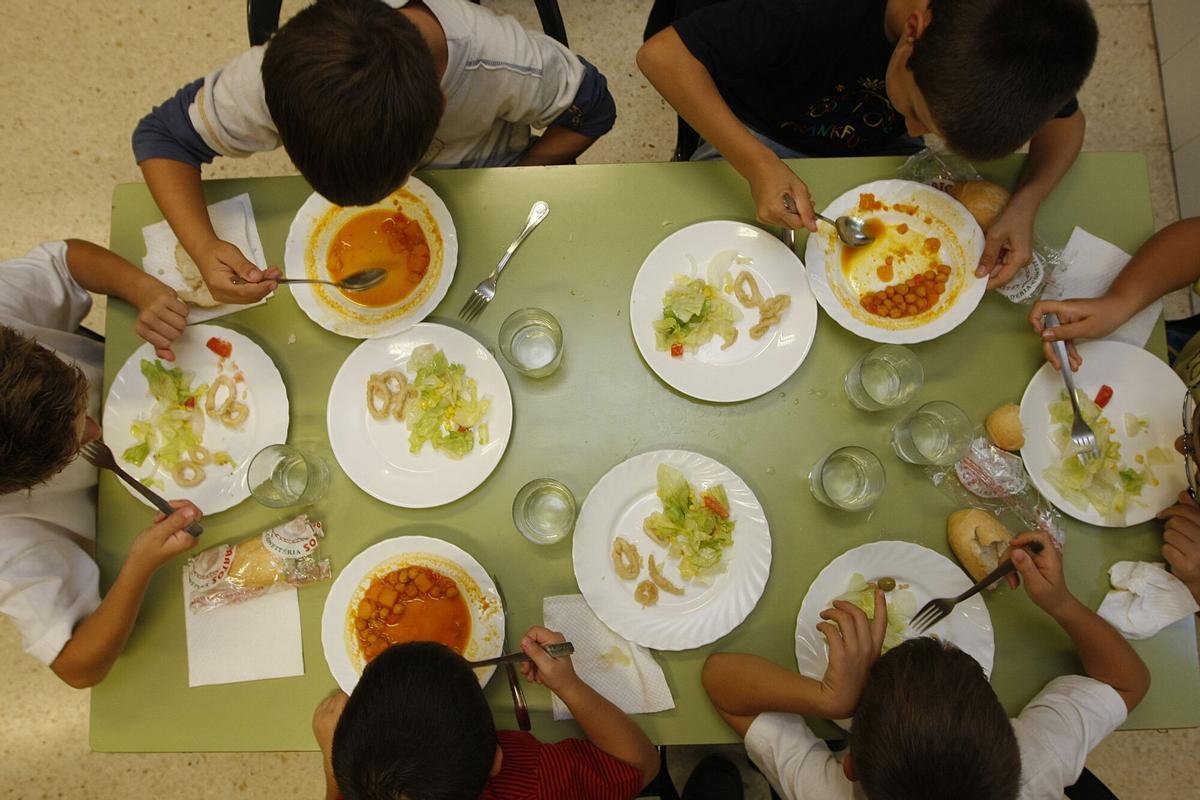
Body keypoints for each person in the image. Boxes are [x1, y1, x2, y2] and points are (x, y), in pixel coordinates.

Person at [133, 0, 617, 306]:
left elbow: (593, 109)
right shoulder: (276, 78)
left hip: (492, 199)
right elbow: (162, 139)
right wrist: (203, 246)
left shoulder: (503, 63)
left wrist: (520, 177)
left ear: (440, 108)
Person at [637, 0, 1098, 289]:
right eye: (917, 109)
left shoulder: (1018, 39)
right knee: (725, 261)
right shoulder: (809, 12)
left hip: (859, 132)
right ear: (913, 32)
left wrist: (1024, 204)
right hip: (758, 124)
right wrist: (758, 164)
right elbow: (660, 56)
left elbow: (1066, 127)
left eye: (932, 130)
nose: (915, 132)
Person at [702, 529, 1150, 800]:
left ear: (850, 765)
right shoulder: (1038, 760)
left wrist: (831, 697)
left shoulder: (828, 792)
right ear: (1011, 736)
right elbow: (1127, 683)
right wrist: (1062, 603)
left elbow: (722, 683)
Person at [0, 239, 200, 687]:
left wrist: (144, 290)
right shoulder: (5, 542)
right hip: (123, 521)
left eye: (79, 407)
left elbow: (65, 261)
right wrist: (138, 568)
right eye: (75, 444)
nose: (95, 432)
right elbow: (77, 666)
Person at [1030, 217, 1200, 605]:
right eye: (1193, 425)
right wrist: (1119, 303)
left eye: (1192, 449)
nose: (1177, 441)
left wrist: (1197, 584)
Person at [313, 627, 659, 800]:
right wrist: (568, 685)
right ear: (496, 759)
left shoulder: (357, 782)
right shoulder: (531, 781)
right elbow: (640, 767)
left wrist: (333, 772)